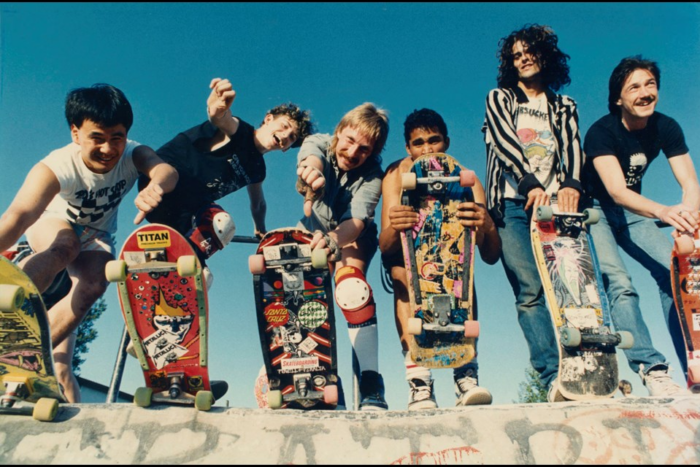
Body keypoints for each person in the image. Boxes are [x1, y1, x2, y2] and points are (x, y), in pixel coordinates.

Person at [0, 84, 179, 402]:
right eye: (97, 138)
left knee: (96, 282)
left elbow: (165, 169)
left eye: (117, 138)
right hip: (54, 224)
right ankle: (13, 308)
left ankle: (26, 357)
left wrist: (157, 186)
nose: (109, 149)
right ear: (75, 133)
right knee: (65, 247)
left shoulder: (133, 154)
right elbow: (18, 216)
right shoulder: (56, 167)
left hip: (97, 234)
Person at [582, 56, 700, 395]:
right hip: (596, 210)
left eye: (650, 84)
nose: (645, 93)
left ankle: (693, 365)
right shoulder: (602, 132)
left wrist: (688, 219)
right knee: (619, 282)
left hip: (632, 209)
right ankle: (652, 368)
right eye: (634, 87)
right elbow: (617, 191)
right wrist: (665, 213)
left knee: (676, 273)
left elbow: (690, 184)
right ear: (619, 98)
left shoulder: (666, 126)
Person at [482, 24, 585, 402]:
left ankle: (586, 365)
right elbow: (505, 142)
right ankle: (552, 377)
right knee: (530, 290)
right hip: (512, 204)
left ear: (546, 55)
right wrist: (529, 184)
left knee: (573, 289)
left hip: (558, 207)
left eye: (530, 51)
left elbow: (572, 146)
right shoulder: (500, 98)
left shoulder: (564, 104)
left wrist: (572, 184)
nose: (523, 58)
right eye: (516, 54)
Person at [379, 108, 501, 410]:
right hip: (405, 260)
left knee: (460, 278)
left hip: (449, 262)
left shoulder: (466, 178)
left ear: (446, 142)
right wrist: (397, 223)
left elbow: (490, 255)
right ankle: (419, 382)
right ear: (408, 148)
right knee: (404, 278)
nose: (427, 149)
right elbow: (385, 245)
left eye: (434, 141)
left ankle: (465, 375)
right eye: (418, 143)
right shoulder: (396, 175)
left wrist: (486, 224)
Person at [140, 78, 314, 287]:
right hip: (161, 181)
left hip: (183, 210)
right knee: (221, 221)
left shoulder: (258, 169)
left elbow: (258, 203)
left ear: (287, 148)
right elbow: (221, 118)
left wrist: (261, 229)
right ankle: (181, 262)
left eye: (291, 137)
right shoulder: (240, 131)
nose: (285, 135)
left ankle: (170, 280)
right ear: (268, 120)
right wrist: (216, 107)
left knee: (203, 278)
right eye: (284, 126)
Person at [295, 103, 389, 411]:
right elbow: (312, 156)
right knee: (302, 302)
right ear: (338, 132)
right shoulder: (320, 142)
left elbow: (358, 221)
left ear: (373, 153)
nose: (352, 152)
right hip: (311, 231)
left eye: (364, 149)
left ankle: (372, 384)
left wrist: (333, 241)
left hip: (351, 237)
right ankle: (315, 379)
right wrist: (311, 172)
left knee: (351, 290)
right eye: (349, 141)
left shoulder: (373, 174)